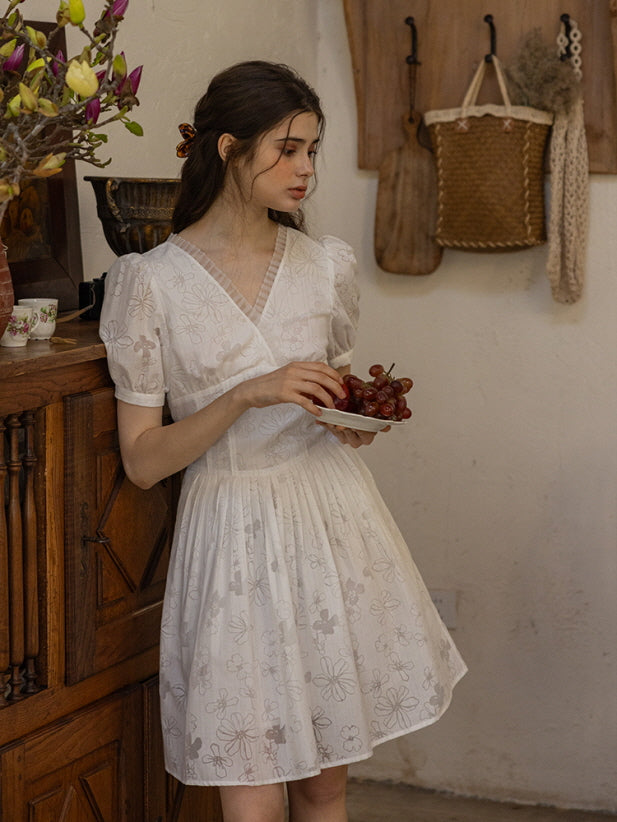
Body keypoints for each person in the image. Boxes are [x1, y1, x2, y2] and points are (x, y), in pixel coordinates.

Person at [99, 60, 466, 822]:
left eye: (311, 149)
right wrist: (244, 394)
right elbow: (141, 462)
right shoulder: (150, 283)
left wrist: (346, 420)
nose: (304, 168)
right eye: (286, 149)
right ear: (229, 148)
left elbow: (326, 390)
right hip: (231, 535)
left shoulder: (323, 266)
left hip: (331, 522)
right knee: (253, 784)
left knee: (324, 783)